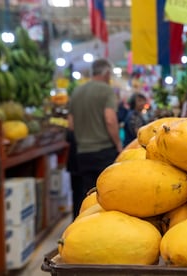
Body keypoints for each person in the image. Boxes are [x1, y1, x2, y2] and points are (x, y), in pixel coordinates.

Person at [67, 58, 122, 217]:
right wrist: (118, 145)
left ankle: (82, 228)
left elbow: (71, 124)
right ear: (106, 73)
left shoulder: (77, 91)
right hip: (103, 151)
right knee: (106, 196)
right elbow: (110, 119)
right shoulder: (106, 90)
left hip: (82, 152)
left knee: (87, 196)